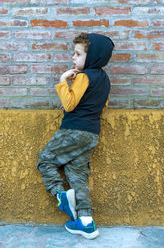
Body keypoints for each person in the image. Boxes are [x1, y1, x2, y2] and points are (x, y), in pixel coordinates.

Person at [37, 32, 114, 239]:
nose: (73, 57)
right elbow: (101, 106)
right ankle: (87, 222)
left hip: (72, 131)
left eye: (78, 54)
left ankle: (60, 195)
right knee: (77, 175)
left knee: (45, 159)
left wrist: (63, 81)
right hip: (91, 134)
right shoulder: (105, 81)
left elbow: (70, 105)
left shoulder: (83, 76)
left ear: (92, 57)